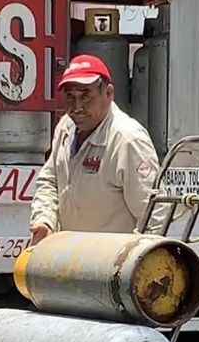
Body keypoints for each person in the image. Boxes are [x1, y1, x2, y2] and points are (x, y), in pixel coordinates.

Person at [29, 54, 162, 245]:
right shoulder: (67, 126)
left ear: (108, 94)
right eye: (70, 96)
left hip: (113, 264)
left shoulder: (127, 139)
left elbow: (153, 215)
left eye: (85, 95)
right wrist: (44, 220)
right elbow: (50, 181)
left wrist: (140, 264)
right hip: (72, 259)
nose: (77, 107)